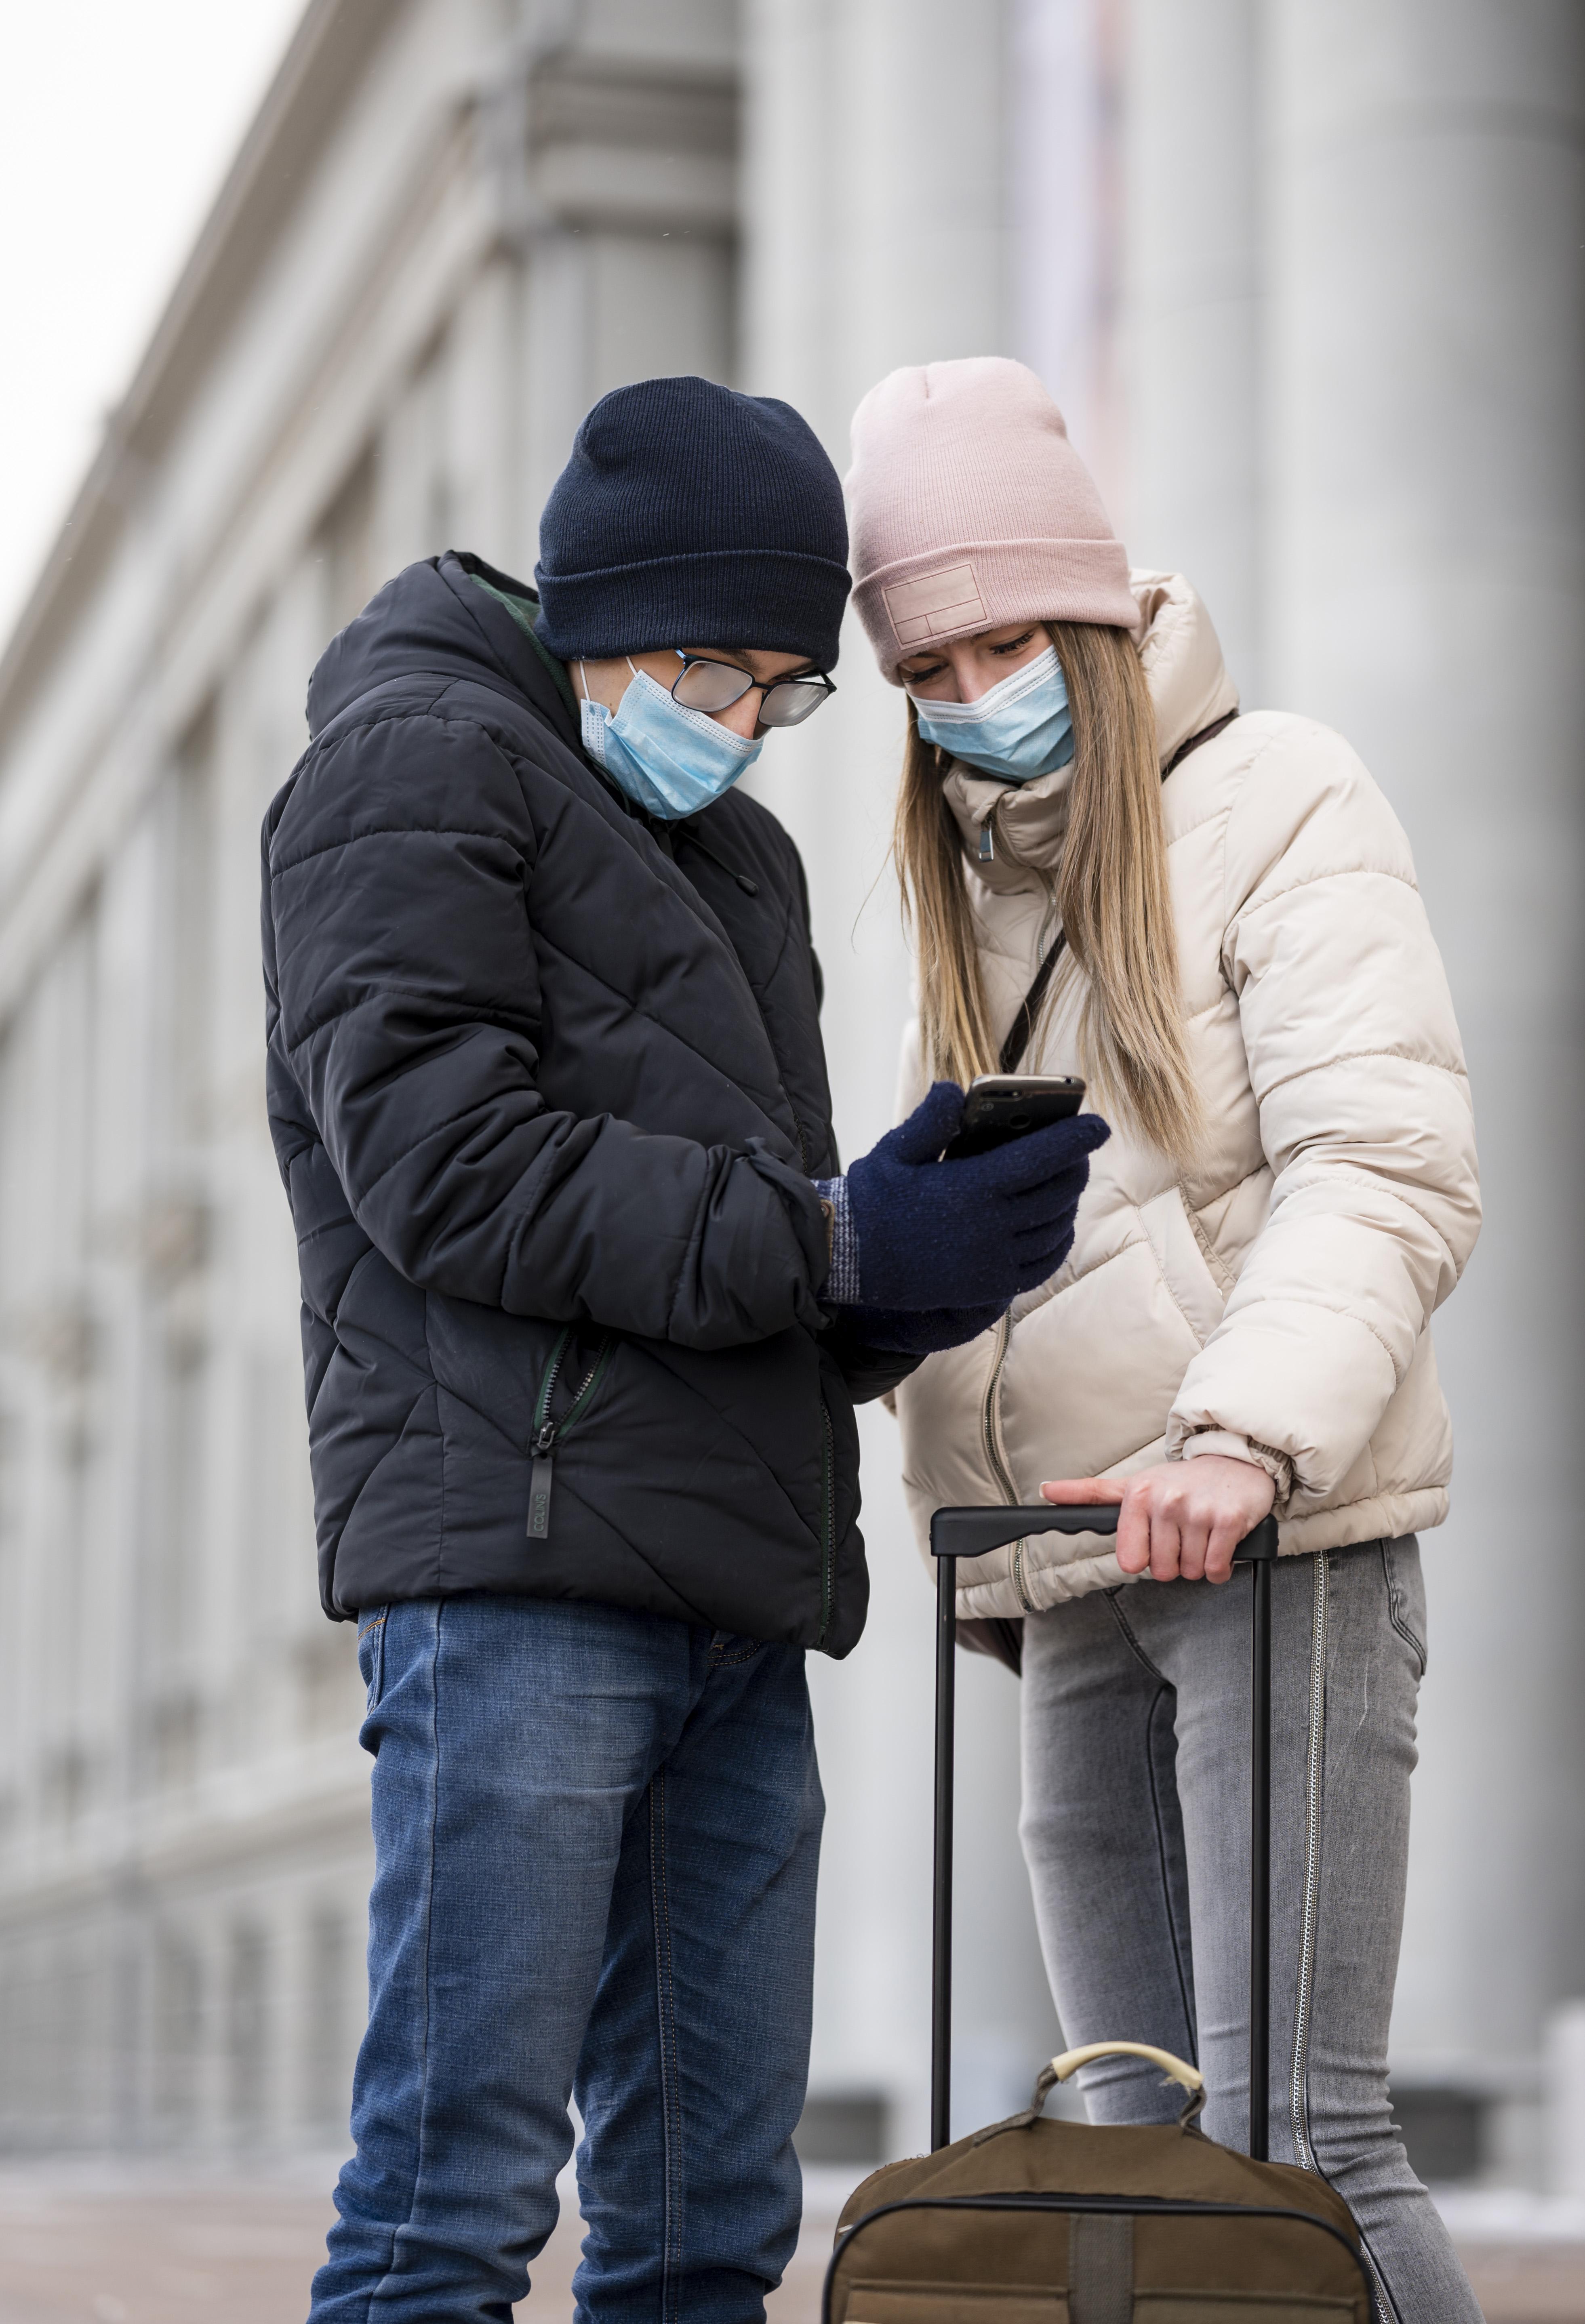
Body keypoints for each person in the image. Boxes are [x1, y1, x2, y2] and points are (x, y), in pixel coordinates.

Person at [262, 373, 1105, 2324]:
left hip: (730, 1590)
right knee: (450, 2203)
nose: (744, 729)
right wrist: (824, 1234)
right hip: (519, 1586)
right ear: (603, 613)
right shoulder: (411, 760)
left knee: (709, 2228)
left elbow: (739, 1246)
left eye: (783, 690)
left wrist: (897, 1269)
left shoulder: (742, 864)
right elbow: (448, 1171)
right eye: (722, 673)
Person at [844, 357, 1483, 2324]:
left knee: (1298, 2143)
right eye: (925, 669)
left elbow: (1385, 1158)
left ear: (1101, 610)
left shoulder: (1282, 791)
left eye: (1007, 640)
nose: (970, 699)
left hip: (1268, 1538)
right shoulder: (968, 891)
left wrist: (1241, 1431)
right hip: (1070, 1568)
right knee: (1131, 2158)